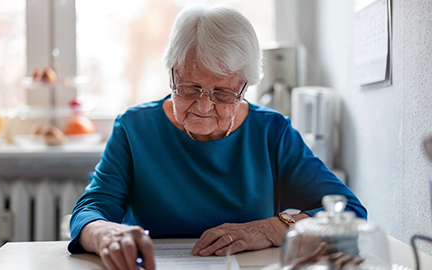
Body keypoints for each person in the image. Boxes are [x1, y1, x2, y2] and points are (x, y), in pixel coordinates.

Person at [68, 3, 367, 270]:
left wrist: (270, 229)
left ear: (244, 88)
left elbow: (350, 213)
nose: (203, 106)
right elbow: (90, 209)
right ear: (172, 73)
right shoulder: (135, 128)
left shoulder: (271, 132)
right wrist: (104, 232)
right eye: (189, 88)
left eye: (223, 93)